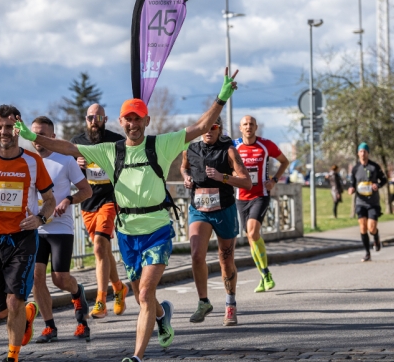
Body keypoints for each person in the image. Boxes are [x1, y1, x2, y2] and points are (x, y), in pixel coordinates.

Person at [14, 68, 239, 362]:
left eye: (138, 118)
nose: (133, 123)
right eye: (128, 119)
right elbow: (67, 147)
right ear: (120, 122)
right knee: (141, 295)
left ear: (147, 121)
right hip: (128, 234)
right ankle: (162, 314)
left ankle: (137, 356)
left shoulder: (162, 144)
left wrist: (221, 97)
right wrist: (33, 137)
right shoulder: (110, 150)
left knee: (145, 294)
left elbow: (200, 126)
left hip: (158, 229)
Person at [0, 105, 56, 362]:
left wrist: (40, 219)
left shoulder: (32, 161)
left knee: (13, 302)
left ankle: (12, 356)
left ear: (18, 128)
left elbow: (49, 199)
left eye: (9, 126)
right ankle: (28, 314)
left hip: (22, 237)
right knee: (0, 311)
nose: (4, 132)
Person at [180, 117, 252, 326]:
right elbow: (184, 167)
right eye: (205, 127)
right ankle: (203, 302)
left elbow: (246, 181)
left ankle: (230, 304)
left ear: (219, 129)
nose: (209, 131)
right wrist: (186, 177)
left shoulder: (228, 150)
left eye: (214, 127)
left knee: (225, 260)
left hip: (224, 209)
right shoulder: (191, 149)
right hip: (199, 209)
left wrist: (224, 178)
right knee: (196, 255)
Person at [29, 117, 93, 343]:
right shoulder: (26, 161)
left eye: (43, 134)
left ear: (53, 136)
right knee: (37, 278)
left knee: (60, 279)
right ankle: (49, 327)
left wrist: (67, 199)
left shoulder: (65, 160)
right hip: (35, 229)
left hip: (60, 228)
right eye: (34, 133)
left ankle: (77, 293)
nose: (37, 138)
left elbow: (86, 192)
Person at [70, 104, 128, 319]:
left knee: (99, 247)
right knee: (101, 250)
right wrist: (78, 164)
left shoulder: (116, 140)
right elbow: (71, 172)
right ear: (86, 119)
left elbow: (125, 168)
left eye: (98, 117)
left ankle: (101, 300)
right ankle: (119, 287)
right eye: (90, 117)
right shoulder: (77, 142)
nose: (94, 121)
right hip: (88, 201)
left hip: (110, 199)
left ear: (105, 119)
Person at [234, 115, 290, 293]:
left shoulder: (266, 145)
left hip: (260, 195)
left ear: (256, 127)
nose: (248, 127)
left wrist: (274, 180)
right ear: (240, 128)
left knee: (252, 232)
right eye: (245, 124)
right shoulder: (234, 146)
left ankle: (266, 273)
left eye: (251, 124)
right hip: (241, 197)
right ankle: (263, 275)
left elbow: (284, 161)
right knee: (251, 239)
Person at [348, 142, 388, 262]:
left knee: (371, 228)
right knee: (362, 227)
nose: (363, 153)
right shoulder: (355, 169)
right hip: (360, 202)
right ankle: (367, 253)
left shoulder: (374, 167)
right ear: (358, 153)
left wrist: (378, 185)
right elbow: (352, 183)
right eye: (360, 151)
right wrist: (351, 188)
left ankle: (376, 236)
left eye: (365, 151)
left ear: (368, 153)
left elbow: (384, 179)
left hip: (373, 203)